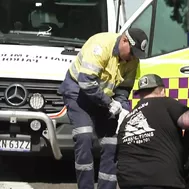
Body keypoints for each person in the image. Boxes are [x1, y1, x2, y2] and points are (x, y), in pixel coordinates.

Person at [58, 28, 148, 189]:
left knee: (113, 142)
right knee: (84, 136)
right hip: (78, 92)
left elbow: (124, 88)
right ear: (124, 41)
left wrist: (121, 107)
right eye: (132, 52)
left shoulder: (133, 60)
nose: (133, 57)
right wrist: (109, 103)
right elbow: (86, 82)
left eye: (136, 54)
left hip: (104, 98)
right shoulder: (100, 46)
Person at [116, 74, 189, 189]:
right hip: (161, 180)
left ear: (140, 95)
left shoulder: (128, 118)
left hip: (127, 181)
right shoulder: (165, 102)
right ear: (162, 91)